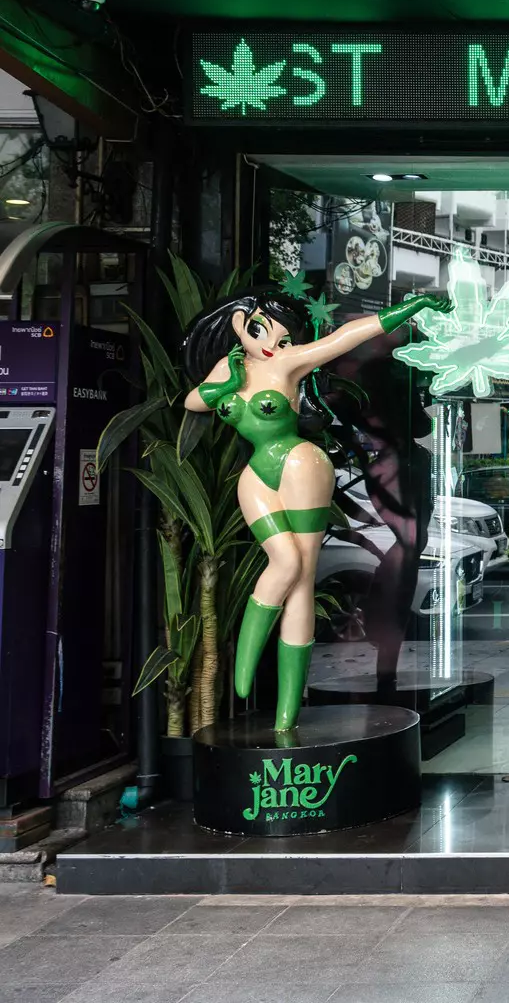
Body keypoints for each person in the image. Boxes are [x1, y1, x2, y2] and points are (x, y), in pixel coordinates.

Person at [182, 286, 449, 731]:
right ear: (238, 323)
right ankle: (246, 673)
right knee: (286, 562)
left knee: (299, 575)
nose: (273, 344)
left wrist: (409, 308)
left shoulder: (286, 363)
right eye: (261, 330)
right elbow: (193, 400)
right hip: (257, 473)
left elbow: (344, 337)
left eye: (284, 339)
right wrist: (227, 383)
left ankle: (285, 706)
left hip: (300, 465)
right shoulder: (230, 366)